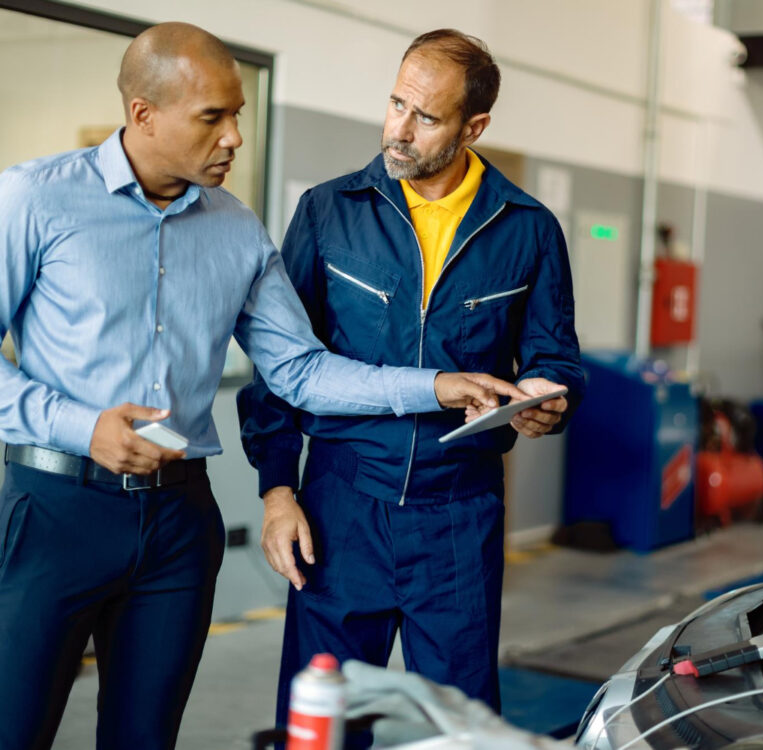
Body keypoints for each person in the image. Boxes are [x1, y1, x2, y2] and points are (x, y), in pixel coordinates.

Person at [0, 22, 520, 750]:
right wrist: (79, 427)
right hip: (55, 512)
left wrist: (436, 386)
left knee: (144, 738)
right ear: (144, 114)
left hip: (179, 523)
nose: (235, 137)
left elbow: (301, 369)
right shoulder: (32, 199)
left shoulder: (237, 231)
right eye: (213, 117)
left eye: (238, 113)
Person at [238, 28, 585, 724]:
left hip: (458, 516)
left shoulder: (528, 229)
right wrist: (278, 493)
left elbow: (555, 358)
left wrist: (548, 401)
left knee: (461, 727)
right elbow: (279, 369)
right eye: (396, 103)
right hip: (340, 509)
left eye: (425, 117)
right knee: (321, 722)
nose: (398, 129)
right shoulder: (331, 212)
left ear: (474, 125)